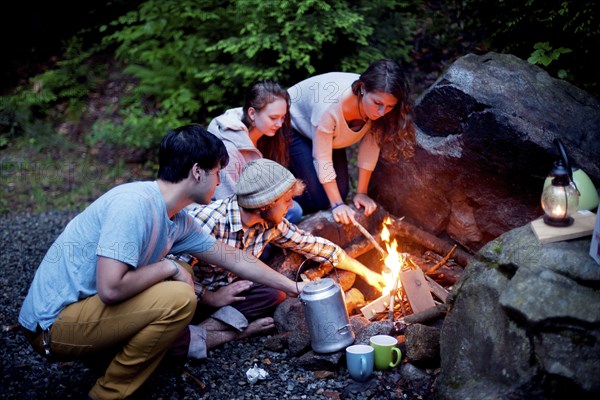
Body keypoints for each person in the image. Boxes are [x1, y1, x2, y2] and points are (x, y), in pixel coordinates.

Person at [18, 125, 305, 400]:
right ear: (197, 172)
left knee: (183, 272)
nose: (220, 182)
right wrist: (169, 267)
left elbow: (232, 258)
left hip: (87, 314)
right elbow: (111, 289)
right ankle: (107, 394)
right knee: (179, 293)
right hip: (53, 328)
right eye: (217, 172)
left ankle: (113, 359)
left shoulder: (175, 218)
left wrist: (294, 287)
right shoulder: (133, 205)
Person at [177, 158, 387, 359]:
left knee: (274, 293)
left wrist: (366, 273)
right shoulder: (209, 220)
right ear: (264, 205)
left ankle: (199, 334)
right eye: (287, 201)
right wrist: (210, 297)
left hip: (231, 292)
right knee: (174, 340)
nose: (293, 207)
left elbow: (315, 246)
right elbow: (173, 271)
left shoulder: (272, 224)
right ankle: (235, 332)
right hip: (193, 298)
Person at [287, 59, 416, 224]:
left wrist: (361, 193)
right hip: (294, 126)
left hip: (331, 137)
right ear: (362, 88)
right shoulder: (329, 107)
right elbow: (322, 157)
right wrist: (338, 205)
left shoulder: (379, 107)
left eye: (390, 106)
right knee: (318, 200)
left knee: (341, 190)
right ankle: (283, 199)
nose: (382, 112)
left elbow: (370, 148)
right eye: (377, 103)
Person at [207, 79, 303, 224]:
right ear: (252, 113)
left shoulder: (267, 137)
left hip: (258, 205)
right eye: (273, 118)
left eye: (282, 117)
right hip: (229, 215)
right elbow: (227, 202)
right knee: (293, 212)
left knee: (294, 209)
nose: (279, 124)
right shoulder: (229, 148)